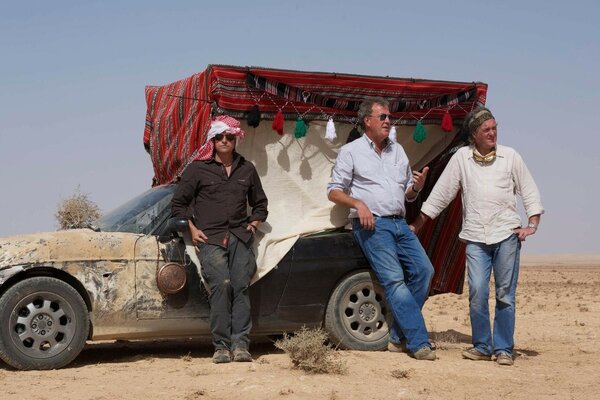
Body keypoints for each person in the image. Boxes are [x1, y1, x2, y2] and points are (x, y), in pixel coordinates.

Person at [410, 106, 544, 366]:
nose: (493, 133)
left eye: (495, 128)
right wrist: (418, 223)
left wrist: (532, 224)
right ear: (474, 135)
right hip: (475, 238)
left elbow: (529, 191)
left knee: (505, 294)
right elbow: (441, 194)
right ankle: (482, 345)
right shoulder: (462, 158)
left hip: (506, 235)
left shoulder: (510, 156)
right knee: (478, 292)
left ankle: (504, 348)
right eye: (487, 129)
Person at [327, 97, 436, 361]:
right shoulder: (351, 151)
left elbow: (408, 195)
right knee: (395, 280)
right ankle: (419, 342)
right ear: (368, 121)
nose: (389, 121)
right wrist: (358, 204)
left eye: (389, 117)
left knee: (424, 271)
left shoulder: (398, 151)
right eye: (383, 117)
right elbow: (333, 191)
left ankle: (398, 336)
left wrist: (417, 187)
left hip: (400, 223)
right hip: (372, 224)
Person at [171, 115, 268, 364]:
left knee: (240, 285)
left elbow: (260, 204)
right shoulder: (197, 170)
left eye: (229, 137)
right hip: (210, 238)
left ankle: (241, 345)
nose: (225, 140)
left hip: (239, 236)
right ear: (212, 140)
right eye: (220, 137)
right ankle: (222, 346)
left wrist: (253, 225)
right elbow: (179, 205)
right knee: (222, 284)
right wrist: (191, 228)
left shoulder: (247, 169)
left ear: (236, 140)